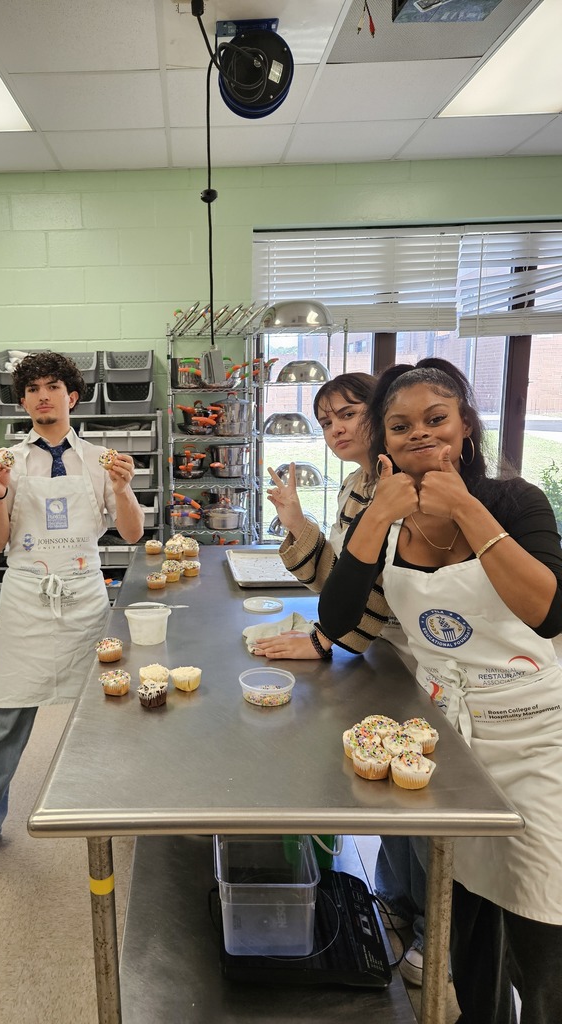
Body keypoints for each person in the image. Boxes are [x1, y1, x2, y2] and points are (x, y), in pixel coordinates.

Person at [319, 359, 562, 1024]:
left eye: (436, 419)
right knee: (467, 924)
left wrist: (465, 508)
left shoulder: (515, 502)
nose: (419, 434)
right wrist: (376, 517)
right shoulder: (388, 521)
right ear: (385, 443)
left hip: (535, 741)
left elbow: (548, 612)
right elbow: (338, 619)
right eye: (400, 427)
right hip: (447, 743)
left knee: (543, 926)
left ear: (466, 427)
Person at [0, 351, 144, 883]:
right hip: (27, 595)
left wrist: (123, 489)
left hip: (84, 596)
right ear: (23, 401)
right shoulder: (7, 461)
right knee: (5, 718)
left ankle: (114, 806)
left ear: (72, 396)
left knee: (102, 712)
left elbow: (132, 533)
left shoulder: (100, 460)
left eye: (52, 386)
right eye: (32, 389)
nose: (42, 396)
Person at [258, 372, 428, 986]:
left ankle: (435, 932)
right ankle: (399, 903)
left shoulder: (403, 487)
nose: (335, 429)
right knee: (391, 785)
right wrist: (296, 521)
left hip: (422, 656)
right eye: (326, 421)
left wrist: (324, 640)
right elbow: (340, 583)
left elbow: (377, 584)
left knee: (421, 802)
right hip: (388, 657)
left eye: (348, 414)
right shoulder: (359, 485)